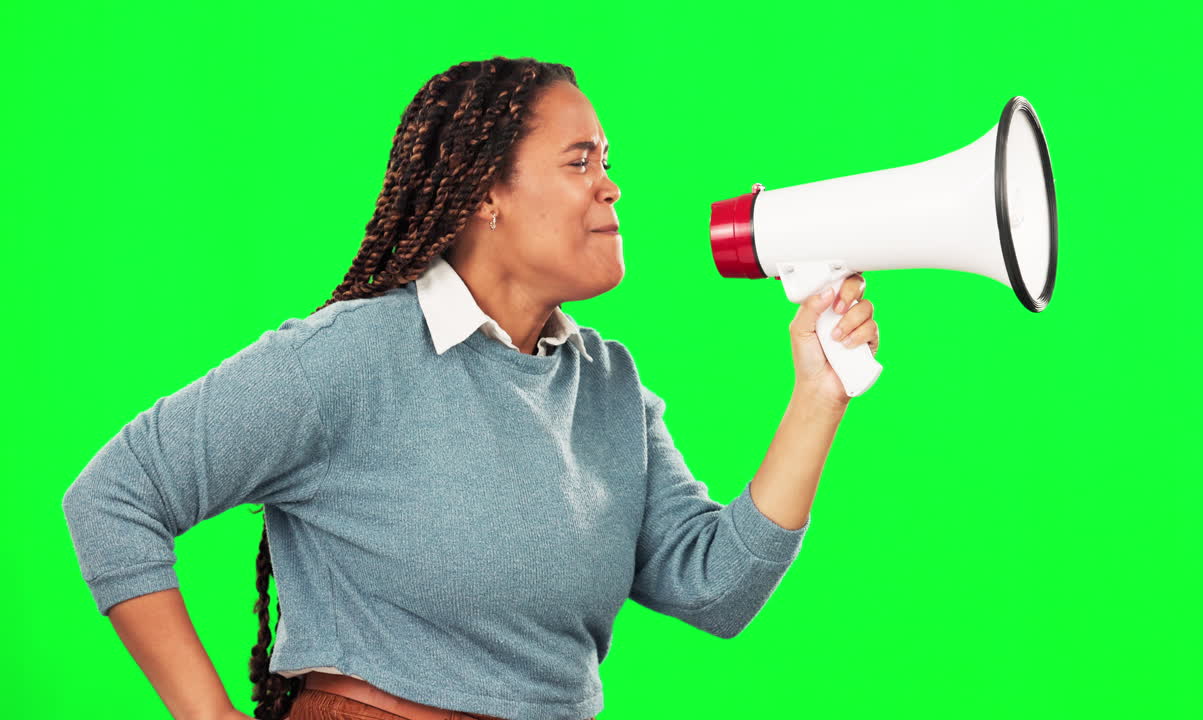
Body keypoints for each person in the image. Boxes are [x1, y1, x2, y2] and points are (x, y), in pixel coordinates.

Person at [60, 55, 879, 720]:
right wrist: (208, 715)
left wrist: (818, 395)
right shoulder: (355, 355)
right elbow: (114, 496)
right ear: (486, 192)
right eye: (580, 161)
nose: (611, 185)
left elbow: (715, 586)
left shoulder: (608, 387)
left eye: (608, 161)